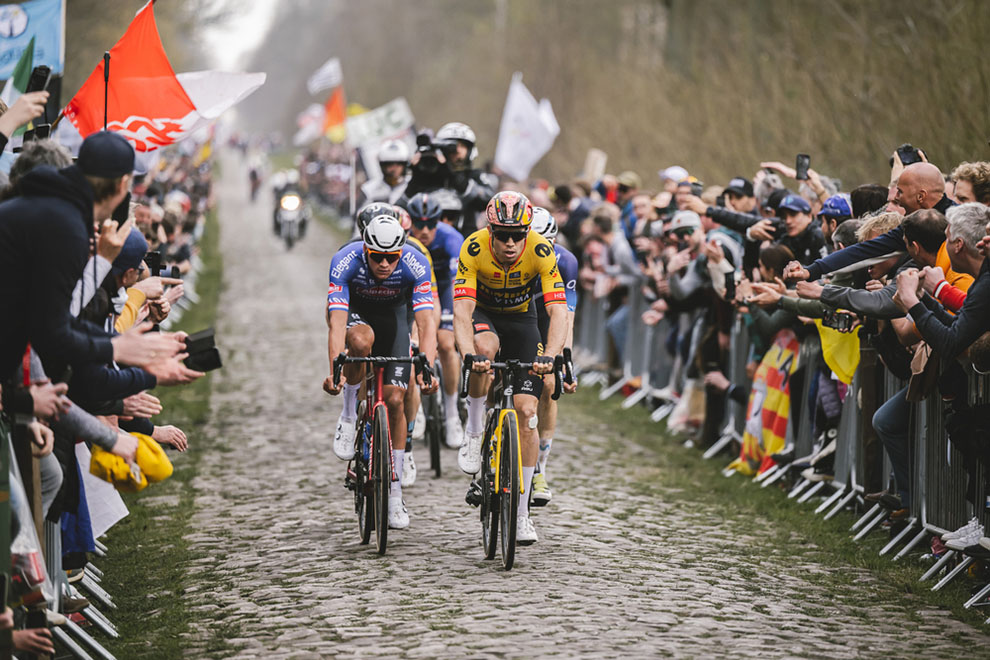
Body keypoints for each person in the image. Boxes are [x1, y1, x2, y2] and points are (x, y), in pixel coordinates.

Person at [0, 130, 180, 384]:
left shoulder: (53, 205)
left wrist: (120, 342)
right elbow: (52, 332)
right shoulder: (67, 226)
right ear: (122, 185)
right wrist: (117, 349)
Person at [453, 191, 567, 544]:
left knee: (526, 409)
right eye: (501, 235)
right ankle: (473, 432)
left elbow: (558, 311)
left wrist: (550, 354)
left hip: (522, 321)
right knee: (484, 350)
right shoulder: (473, 248)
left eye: (517, 235)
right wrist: (468, 353)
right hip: (485, 316)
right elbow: (462, 310)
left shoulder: (540, 251)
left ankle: (521, 512)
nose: (510, 243)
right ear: (490, 232)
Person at [324, 215, 438, 529]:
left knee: (396, 399)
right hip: (357, 313)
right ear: (366, 250)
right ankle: (348, 415)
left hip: (394, 318)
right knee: (361, 341)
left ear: (401, 251)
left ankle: (395, 491)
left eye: (391, 258)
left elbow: (426, 322)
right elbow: (336, 323)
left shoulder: (414, 262)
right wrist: (336, 370)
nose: (385, 264)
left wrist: (426, 364)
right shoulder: (345, 260)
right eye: (378, 257)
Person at [528, 207, 579, 506]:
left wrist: (565, 362)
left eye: (546, 245)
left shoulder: (566, 262)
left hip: (546, 318)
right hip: (514, 314)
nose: (540, 252)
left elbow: (566, 317)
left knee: (549, 385)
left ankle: (540, 469)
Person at [407, 192, 465, 449]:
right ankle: (416, 402)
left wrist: (448, 317)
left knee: (445, 343)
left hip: (444, 289)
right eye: (419, 225)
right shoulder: (405, 238)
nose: (425, 230)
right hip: (415, 290)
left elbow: (456, 284)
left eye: (431, 223)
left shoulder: (451, 239)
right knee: (412, 343)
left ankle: (452, 413)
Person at [360, 138, 410, 205]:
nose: (394, 168)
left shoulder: (413, 186)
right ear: (382, 165)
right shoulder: (369, 190)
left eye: (399, 163)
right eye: (389, 164)